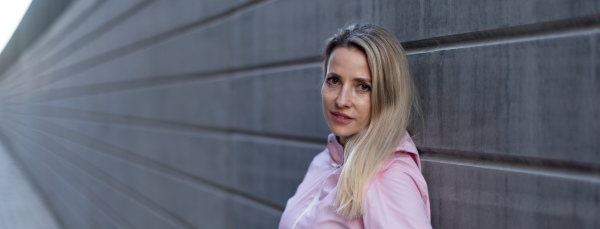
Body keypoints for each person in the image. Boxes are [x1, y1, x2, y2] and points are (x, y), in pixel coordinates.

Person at [279, 24, 432, 229]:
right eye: (334, 80)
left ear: (388, 96)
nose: (342, 100)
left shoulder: (388, 178)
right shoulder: (326, 160)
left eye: (362, 86)